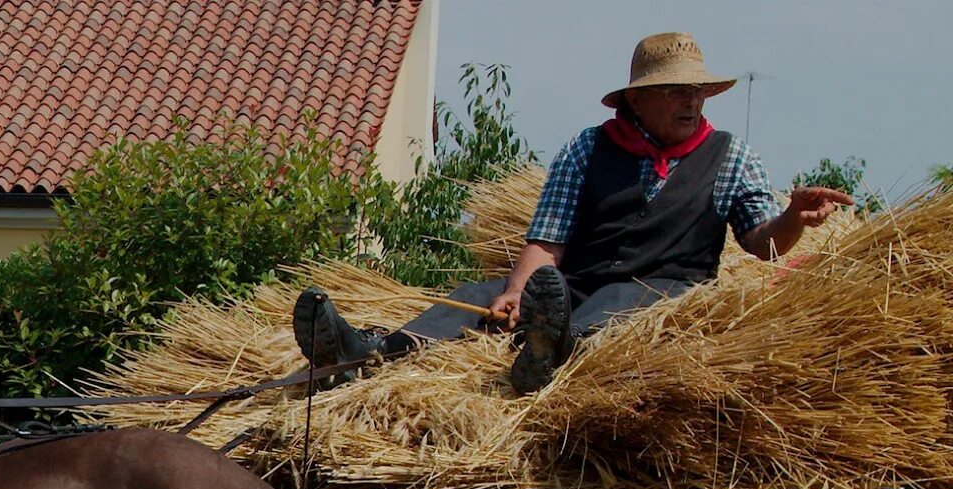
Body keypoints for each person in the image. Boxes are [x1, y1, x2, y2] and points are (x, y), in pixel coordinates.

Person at [297, 32, 855, 394]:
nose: (691, 102)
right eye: (676, 92)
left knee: (620, 300)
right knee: (474, 295)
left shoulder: (731, 156)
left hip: (668, 291)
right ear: (637, 99)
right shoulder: (589, 149)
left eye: (698, 92)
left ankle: (550, 352)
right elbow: (549, 238)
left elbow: (763, 242)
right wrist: (515, 291)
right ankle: (370, 352)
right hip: (573, 287)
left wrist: (792, 218)